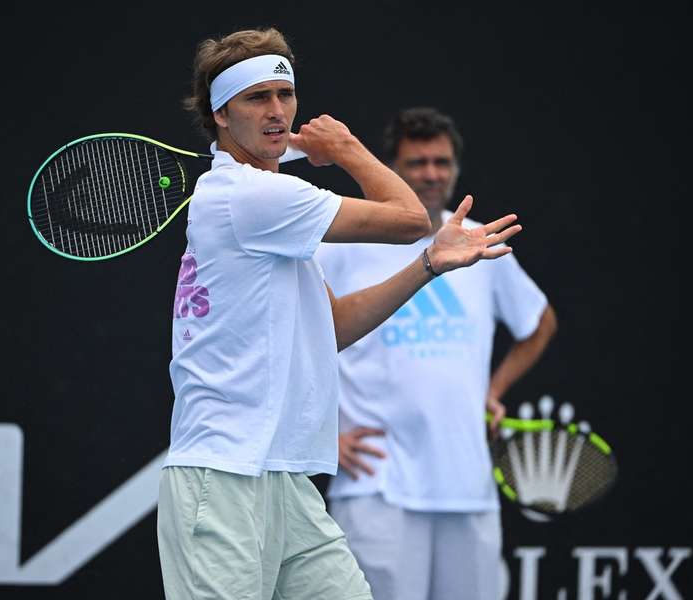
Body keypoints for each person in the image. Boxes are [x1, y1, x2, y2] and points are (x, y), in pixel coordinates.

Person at [158, 30, 522, 600]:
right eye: (257, 98)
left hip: (284, 479)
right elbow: (409, 217)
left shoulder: (273, 209)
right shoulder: (250, 198)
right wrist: (344, 147)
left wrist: (427, 265)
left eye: (285, 94)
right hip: (221, 477)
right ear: (221, 115)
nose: (277, 110)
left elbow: (330, 328)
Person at [316, 107, 558, 600]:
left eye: (441, 162)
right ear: (393, 169)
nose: (431, 173)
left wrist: (493, 391)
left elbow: (540, 323)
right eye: (417, 163)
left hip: (467, 483)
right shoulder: (343, 240)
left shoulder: (481, 244)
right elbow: (297, 342)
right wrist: (321, 433)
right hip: (376, 487)